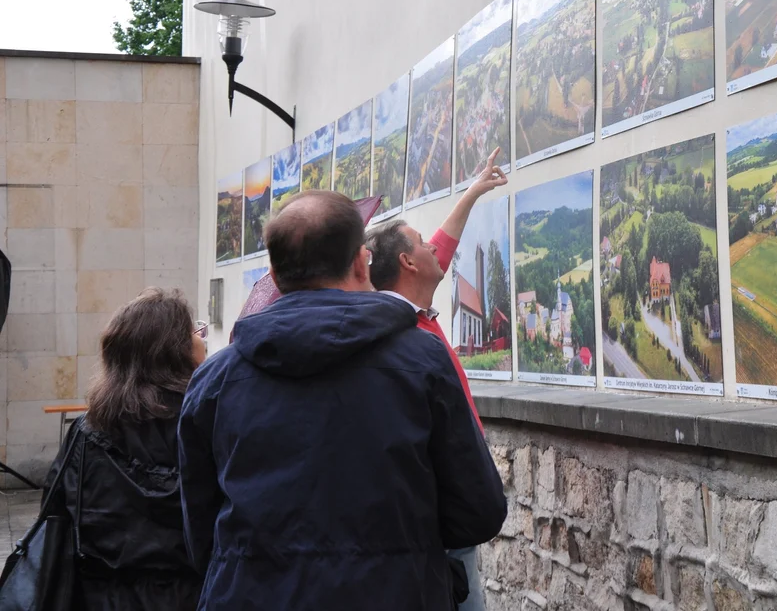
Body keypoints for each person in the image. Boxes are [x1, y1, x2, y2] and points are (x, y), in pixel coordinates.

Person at [178, 189, 506, 611]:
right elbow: (478, 510)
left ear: (275, 277)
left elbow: (198, 531)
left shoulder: (213, 382)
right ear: (359, 262)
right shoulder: (421, 360)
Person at [366, 147, 506, 611]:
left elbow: (442, 246)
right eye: (421, 244)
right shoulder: (401, 335)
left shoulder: (416, 313)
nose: (433, 247)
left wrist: (473, 191)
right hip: (439, 511)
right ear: (407, 265)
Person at [40, 287, 206, 610]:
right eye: (194, 333)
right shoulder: (207, 426)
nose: (201, 339)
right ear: (178, 351)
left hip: (101, 598)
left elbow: (56, 516)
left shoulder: (86, 434)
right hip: (195, 597)